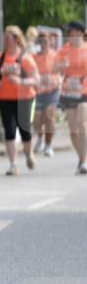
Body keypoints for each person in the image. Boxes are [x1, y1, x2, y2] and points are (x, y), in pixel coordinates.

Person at [0, 26, 39, 176]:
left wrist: (20, 81)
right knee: (9, 131)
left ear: (16, 40)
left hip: (24, 98)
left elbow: (37, 79)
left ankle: (29, 154)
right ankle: (13, 164)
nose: (4, 40)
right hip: (5, 98)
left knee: (25, 131)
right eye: (4, 37)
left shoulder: (25, 58)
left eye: (7, 38)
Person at [56, 20, 87, 174]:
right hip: (69, 92)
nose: (69, 35)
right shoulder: (64, 50)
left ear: (80, 33)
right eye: (67, 32)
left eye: (71, 32)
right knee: (73, 131)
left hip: (85, 91)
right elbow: (53, 67)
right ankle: (81, 159)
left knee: (83, 122)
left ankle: (85, 160)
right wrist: (60, 67)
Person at [29, 27, 60, 158]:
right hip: (38, 91)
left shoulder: (56, 55)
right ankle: (40, 139)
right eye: (41, 42)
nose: (43, 44)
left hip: (52, 91)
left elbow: (60, 73)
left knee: (49, 117)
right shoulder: (34, 57)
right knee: (37, 120)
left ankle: (48, 145)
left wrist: (52, 79)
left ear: (50, 42)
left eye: (46, 41)